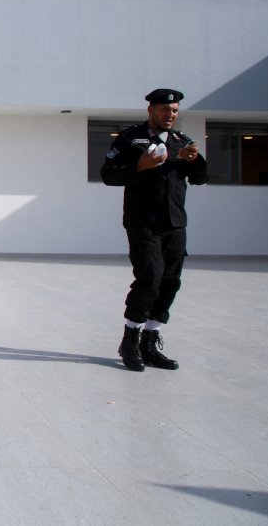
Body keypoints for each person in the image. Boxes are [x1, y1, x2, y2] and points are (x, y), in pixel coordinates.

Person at [101, 88, 208, 372]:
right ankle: (130, 340)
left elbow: (201, 178)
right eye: (164, 110)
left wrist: (194, 161)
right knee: (150, 277)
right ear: (151, 110)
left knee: (170, 281)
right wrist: (140, 165)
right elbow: (108, 174)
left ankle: (150, 341)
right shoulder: (131, 138)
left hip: (175, 222)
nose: (170, 115)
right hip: (143, 221)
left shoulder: (181, 142)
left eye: (174, 110)